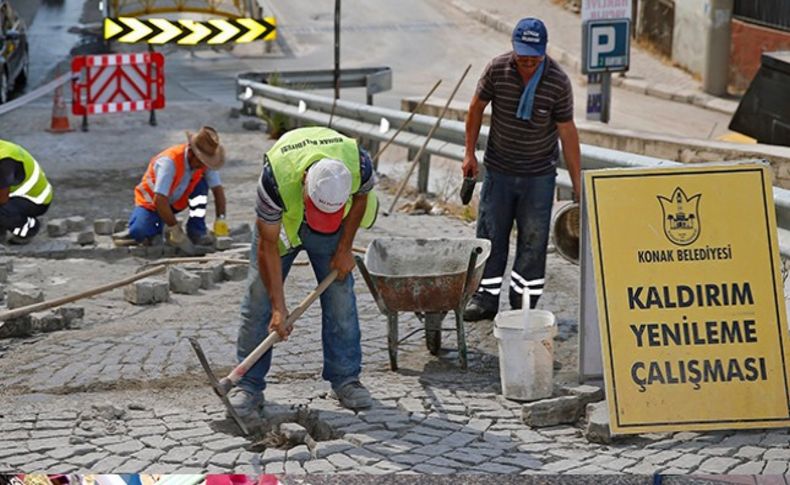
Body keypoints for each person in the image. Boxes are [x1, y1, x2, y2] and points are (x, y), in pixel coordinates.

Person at [230, 126, 378, 418]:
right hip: (283, 225)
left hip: (334, 232)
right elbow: (268, 245)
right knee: (258, 297)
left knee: (340, 298)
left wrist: (345, 247)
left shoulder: (357, 164)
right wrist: (278, 307)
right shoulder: (275, 178)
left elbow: (362, 198)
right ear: (303, 184)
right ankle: (247, 384)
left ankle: (346, 378)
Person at [462, 17, 582, 322]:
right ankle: (485, 299)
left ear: (543, 52)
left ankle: (524, 302)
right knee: (490, 236)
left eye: (534, 58)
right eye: (523, 56)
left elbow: (567, 131)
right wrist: (469, 154)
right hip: (500, 171)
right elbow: (476, 107)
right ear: (513, 50)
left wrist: (578, 184)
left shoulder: (557, 81)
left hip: (538, 177)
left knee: (533, 241)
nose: (528, 63)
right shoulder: (498, 69)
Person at [113, 126, 229, 249]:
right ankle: (147, 227)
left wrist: (220, 219)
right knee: (140, 232)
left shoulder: (203, 164)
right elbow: (159, 200)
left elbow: (218, 190)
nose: (203, 166)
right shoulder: (169, 162)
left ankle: (196, 231)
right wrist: (175, 229)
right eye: (201, 162)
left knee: (201, 185)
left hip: (174, 202)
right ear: (191, 152)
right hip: (151, 203)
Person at [0, 140, 53, 244]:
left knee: (2, 210)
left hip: (36, 199)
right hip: (13, 195)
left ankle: (28, 226)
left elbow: (2, 198)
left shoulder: (5, 160)